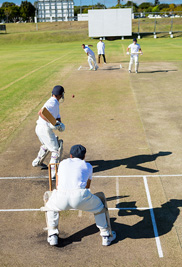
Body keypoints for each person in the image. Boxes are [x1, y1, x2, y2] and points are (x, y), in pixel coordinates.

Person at [41, 144, 116, 246]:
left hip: (61, 197)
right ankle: (105, 235)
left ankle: (52, 235)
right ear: (84, 156)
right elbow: (87, 187)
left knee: (50, 207)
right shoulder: (88, 166)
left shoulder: (62, 163)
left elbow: (57, 184)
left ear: (71, 155)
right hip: (80, 196)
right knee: (100, 207)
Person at [32, 85, 65, 180]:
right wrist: (54, 123)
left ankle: (37, 162)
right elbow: (41, 112)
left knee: (47, 145)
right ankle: (53, 174)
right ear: (60, 95)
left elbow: (57, 117)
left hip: (40, 128)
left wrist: (60, 124)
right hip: (44, 129)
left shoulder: (55, 102)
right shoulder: (52, 102)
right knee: (56, 149)